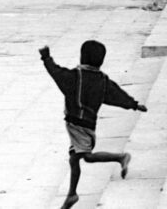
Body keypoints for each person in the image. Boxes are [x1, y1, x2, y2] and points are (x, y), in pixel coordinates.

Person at [39, 41, 148, 209]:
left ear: (82, 56)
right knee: (74, 159)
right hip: (86, 124)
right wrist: (133, 104)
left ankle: (120, 157)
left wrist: (46, 58)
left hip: (78, 126)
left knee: (87, 157)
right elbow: (116, 95)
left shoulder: (75, 77)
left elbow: (56, 73)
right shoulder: (102, 80)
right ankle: (72, 194)